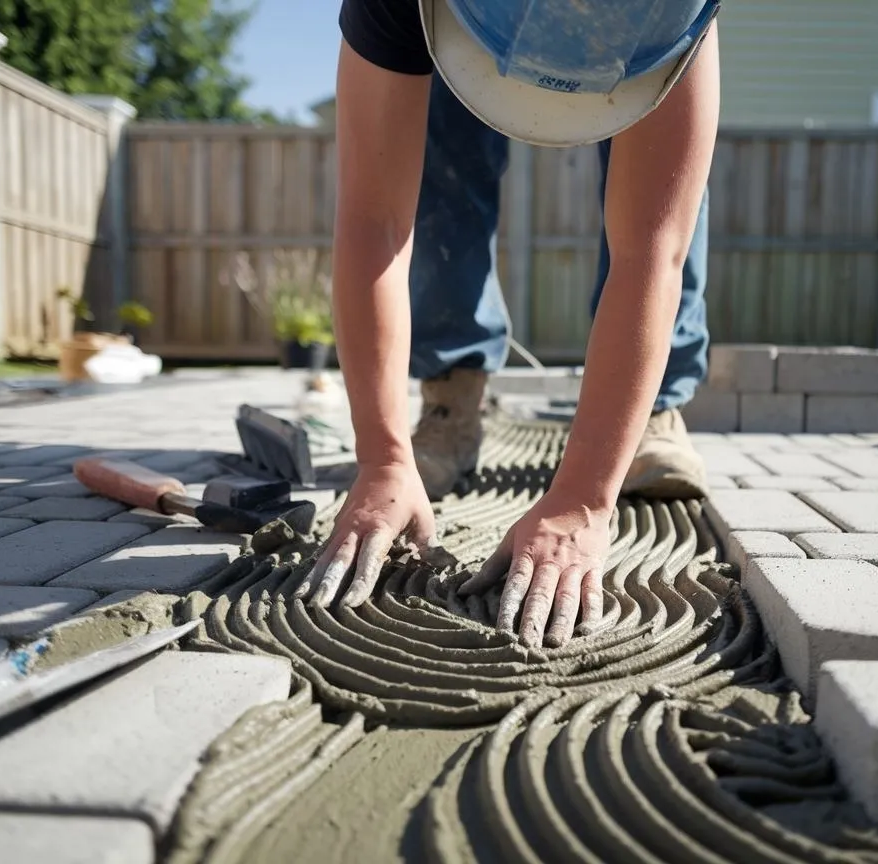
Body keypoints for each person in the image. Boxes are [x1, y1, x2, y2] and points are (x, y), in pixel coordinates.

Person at [295, 0, 722, 651]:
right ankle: (452, 394)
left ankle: (652, 412)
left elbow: (650, 253)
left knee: (665, 203)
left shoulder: (671, 15)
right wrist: (381, 458)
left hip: (644, 39)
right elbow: (374, 220)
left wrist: (583, 500)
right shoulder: (399, 9)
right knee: (443, 152)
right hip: (453, 31)